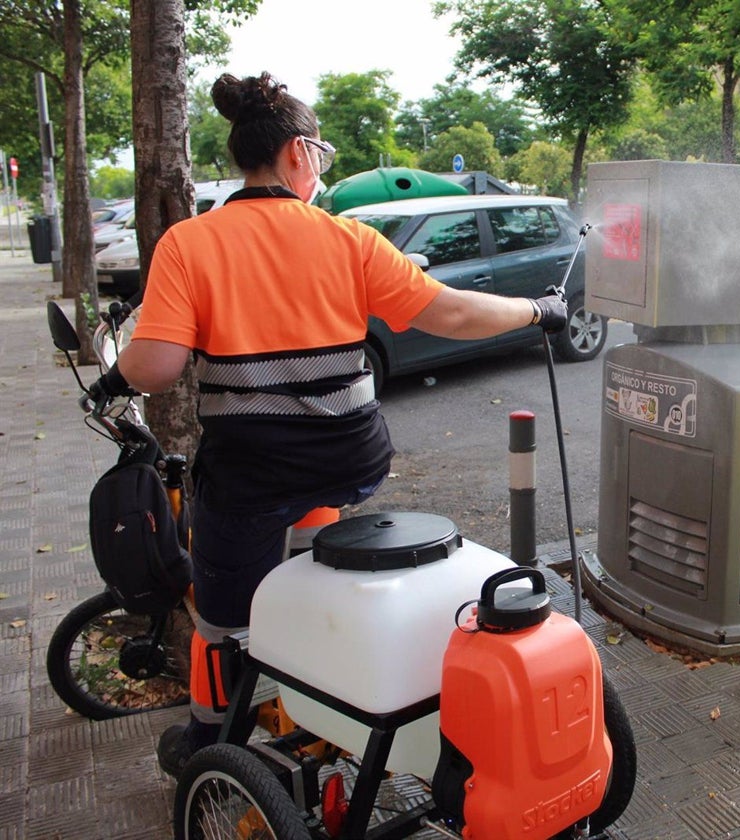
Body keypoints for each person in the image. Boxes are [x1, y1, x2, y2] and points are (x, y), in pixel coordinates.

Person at [86, 72, 567, 777]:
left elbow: (156, 366)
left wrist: (113, 375)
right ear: (297, 154)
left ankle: (209, 746)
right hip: (350, 462)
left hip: (251, 475)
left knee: (221, 621)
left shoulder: (192, 243)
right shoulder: (349, 241)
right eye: (323, 155)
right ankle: (320, 690)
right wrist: (539, 311)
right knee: (311, 565)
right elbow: (455, 314)